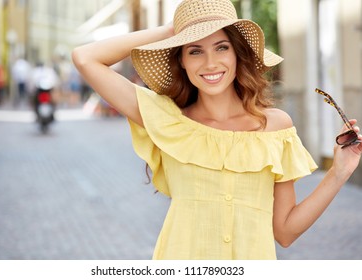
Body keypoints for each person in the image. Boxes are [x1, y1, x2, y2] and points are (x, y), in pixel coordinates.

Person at [72, 0, 362, 260]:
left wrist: (339, 172)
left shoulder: (276, 127)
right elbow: (86, 58)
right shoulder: (167, 119)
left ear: (237, 54)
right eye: (195, 51)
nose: (210, 63)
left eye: (221, 47)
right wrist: (170, 31)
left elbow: (285, 232)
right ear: (182, 61)